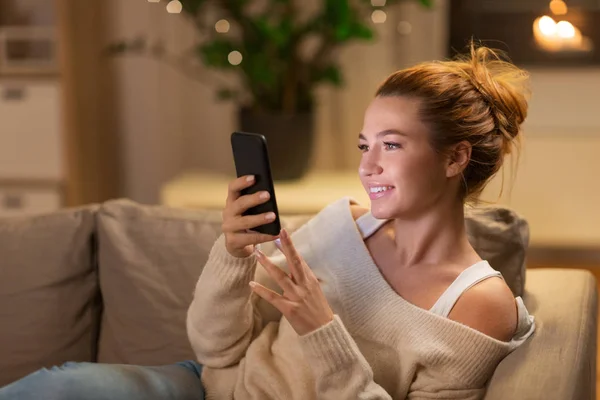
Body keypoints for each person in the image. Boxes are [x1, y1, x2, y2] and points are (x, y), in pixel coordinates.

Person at [0, 42, 535, 400]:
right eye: (364, 144)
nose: (367, 166)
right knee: (58, 386)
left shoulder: (478, 306)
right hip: (207, 387)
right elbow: (217, 351)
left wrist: (320, 328)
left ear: (454, 158)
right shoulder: (339, 227)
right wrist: (233, 257)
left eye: (391, 146)